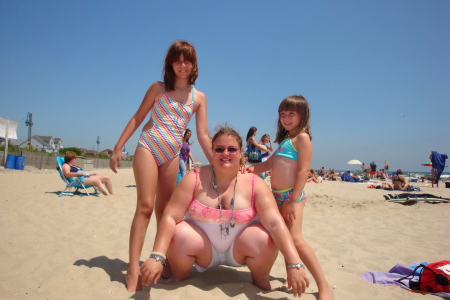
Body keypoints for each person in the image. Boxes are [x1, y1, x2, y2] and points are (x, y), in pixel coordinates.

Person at [140, 127, 309, 297]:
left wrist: (294, 264)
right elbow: (170, 216)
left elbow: (275, 223)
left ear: (241, 152)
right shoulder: (194, 177)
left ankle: (260, 279)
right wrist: (157, 256)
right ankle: (180, 277)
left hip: (241, 248)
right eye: (219, 149)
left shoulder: (255, 183)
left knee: (266, 237)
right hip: (202, 249)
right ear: (212, 151)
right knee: (178, 231)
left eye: (232, 149)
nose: (225, 153)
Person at [109, 41, 213, 292]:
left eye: (187, 60)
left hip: (172, 154)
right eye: (177, 60)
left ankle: (159, 257)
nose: (182, 65)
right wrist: (118, 147)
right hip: (149, 145)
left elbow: (203, 134)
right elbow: (138, 117)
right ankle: (134, 266)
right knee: (144, 207)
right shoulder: (158, 88)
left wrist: (219, 162)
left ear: (194, 64)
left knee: (165, 212)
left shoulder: (198, 97)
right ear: (170, 63)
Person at [245, 95, 332, 299]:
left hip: (292, 196)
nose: (286, 118)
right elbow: (267, 165)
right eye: (282, 114)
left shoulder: (302, 138)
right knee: (283, 238)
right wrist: (247, 170)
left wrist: (293, 200)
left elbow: (303, 170)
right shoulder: (286, 141)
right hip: (275, 195)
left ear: (303, 115)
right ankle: (289, 276)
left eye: (291, 113)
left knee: (295, 239)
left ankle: (323, 285)